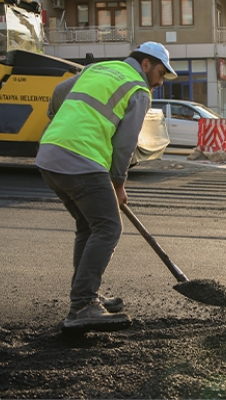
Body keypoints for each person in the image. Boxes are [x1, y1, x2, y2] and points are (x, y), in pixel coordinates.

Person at [36, 42, 178, 330]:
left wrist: (60, 122)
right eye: (161, 73)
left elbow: (59, 92)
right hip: (82, 159)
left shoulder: (99, 69)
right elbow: (125, 144)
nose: (160, 82)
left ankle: (86, 297)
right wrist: (118, 183)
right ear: (146, 64)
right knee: (108, 227)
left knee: (89, 227)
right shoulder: (138, 90)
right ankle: (82, 306)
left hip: (50, 154)